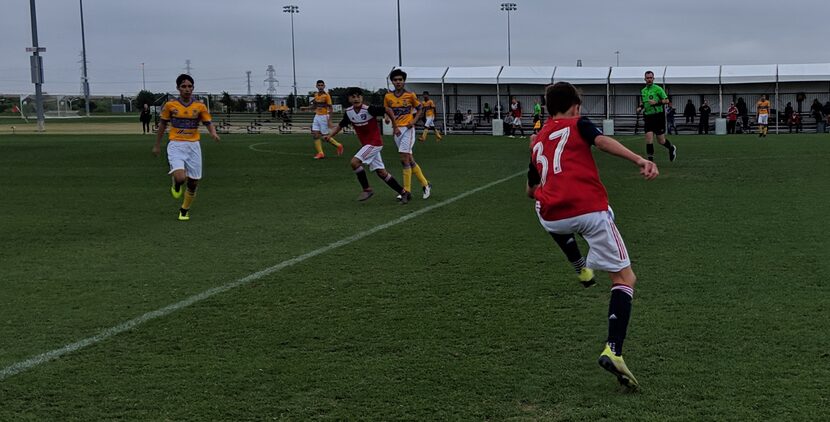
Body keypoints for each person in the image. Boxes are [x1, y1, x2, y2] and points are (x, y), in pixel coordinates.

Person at [528, 82, 658, 390]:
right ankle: (613, 350)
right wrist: (640, 160)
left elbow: (529, 190)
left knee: (544, 209)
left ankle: (579, 264)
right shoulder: (578, 123)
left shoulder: (536, 140)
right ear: (575, 106)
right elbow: (601, 142)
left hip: (550, 215)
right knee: (625, 279)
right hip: (588, 212)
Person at [152, 74, 221, 221]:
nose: (187, 89)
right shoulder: (170, 106)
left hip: (193, 146)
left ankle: (184, 209)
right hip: (176, 144)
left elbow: (208, 122)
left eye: (190, 86)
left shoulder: (200, 106)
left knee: (193, 182)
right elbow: (163, 125)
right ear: (178, 88)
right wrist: (157, 145)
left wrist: (213, 133)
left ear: (193, 88)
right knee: (181, 177)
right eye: (184, 86)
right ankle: (176, 184)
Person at [324, 87, 410, 203]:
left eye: (358, 96)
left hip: (375, 143)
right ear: (349, 99)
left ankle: (367, 189)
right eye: (353, 97)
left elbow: (388, 110)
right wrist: (330, 136)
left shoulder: (370, 109)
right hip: (367, 145)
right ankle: (404, 193)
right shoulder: (349, 113)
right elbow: (341, 125)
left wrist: (395, 126)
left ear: (362, 98)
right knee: (381, 172)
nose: (356, 99)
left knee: (354, 162)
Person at [384, 69, 432, 200]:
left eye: (400, 80)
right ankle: (426, 184)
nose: (398, 82)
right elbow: (387, 110)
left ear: (404, 81)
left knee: (403, 158)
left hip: (408, 129)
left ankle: (406, 191)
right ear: (392, 81)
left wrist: (414, 121)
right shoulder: (388, 96)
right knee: (409, 159)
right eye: (395, 80)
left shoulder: (410, 95)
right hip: (397, 130)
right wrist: (389, 120)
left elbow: (420, 108)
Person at [641, 71, 677, 162]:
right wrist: (640, 107)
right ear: (644, 79)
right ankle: (650, 162)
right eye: (647, 78)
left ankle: (671, 148)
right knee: (649, 139)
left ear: (653, 78)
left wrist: (657, 102)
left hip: (658, 116)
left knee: (661, 141)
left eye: (651, 78)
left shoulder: (658, 89)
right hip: (648, 117)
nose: (649, 79)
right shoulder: (643, 91)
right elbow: (644, 102)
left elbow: (667, 100)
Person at [311, 80, 344, 159]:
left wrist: (329, 120)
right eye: (319, 85)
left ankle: (339, 145)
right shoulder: (315, 95)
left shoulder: (327, 95)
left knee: (324, 137)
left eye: (322, 85)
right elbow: (314, 106)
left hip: (324, 117)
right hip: (317, 116)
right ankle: (321, 153)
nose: (320, 87)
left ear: (324, 86)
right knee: (315, 135)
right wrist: (305, 108)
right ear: (316, 86)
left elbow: (330, 108)